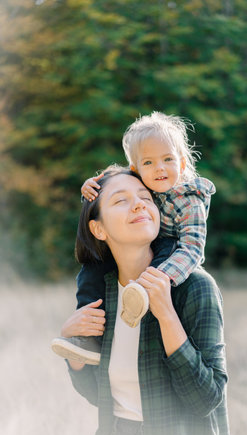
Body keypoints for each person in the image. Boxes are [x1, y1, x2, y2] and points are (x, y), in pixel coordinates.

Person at [58, 166, 230, 435]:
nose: (138, 203)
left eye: (145, 197)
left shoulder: (195, 287)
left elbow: (206, 399)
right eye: (120, 200)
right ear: (98, 228)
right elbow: (99, 395)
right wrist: (72, 346)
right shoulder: (103, 293)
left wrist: (165, 314)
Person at [52, 112, 215, 364]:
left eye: (168, 159)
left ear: (182, 164)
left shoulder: (189, 198)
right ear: (136, 169)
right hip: (139, 257)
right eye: (148, 163)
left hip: (172, 254)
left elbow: (193, 248)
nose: (159, 168)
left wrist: (162, 278)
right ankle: (87, 340)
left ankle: (142, 295)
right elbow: (112, 190)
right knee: (90, 270)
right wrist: (89, 187)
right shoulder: (145, 184)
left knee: (158, 265)